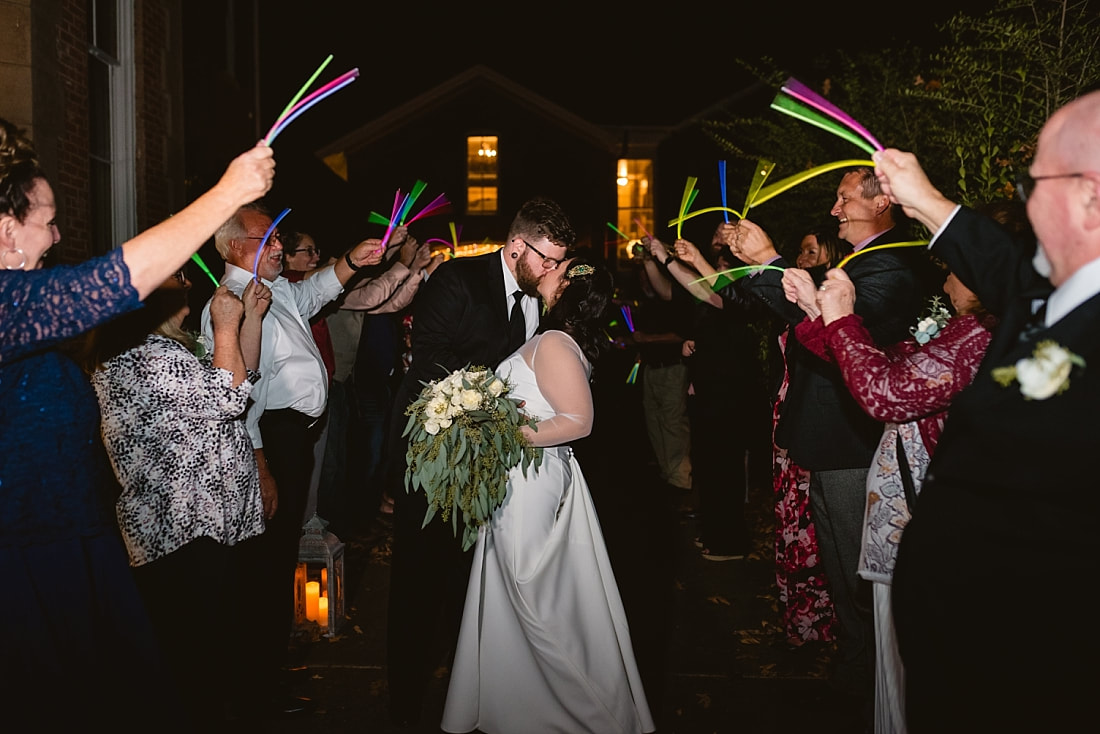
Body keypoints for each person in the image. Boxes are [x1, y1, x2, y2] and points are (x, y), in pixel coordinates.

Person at [0, 116, 273, 728]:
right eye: (46, 222)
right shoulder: (8, 307)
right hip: (26, 563)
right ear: (6, 232)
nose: (59, 234)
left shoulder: (24, 309)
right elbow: (104, 285)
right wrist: (227, 194)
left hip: (74, 543)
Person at [870, 89, 1100, 732]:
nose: (1024, 198)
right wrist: (923, 198)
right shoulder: (1053, 288)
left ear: (1089, 194)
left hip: (1034, 668)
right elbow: (1003, 268)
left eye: (1035, 180)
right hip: (965, 651)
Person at [729, 167, 927, 727]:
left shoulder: (890, 264)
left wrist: (767, 260)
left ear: (882, 202)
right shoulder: (858, 261)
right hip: (828, 435)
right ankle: (857, 663)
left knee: (860, 568)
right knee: (843, 564)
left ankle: (872, 678)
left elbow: (836, 331)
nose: (835, 210)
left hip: (852, 440)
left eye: (843, 200)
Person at [441, 257, 656, 734]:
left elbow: (578, 421)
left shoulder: (556, 343)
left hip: (530, 482)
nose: (549, 268)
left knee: (528, 590)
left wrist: (496, 430)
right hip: (520, 478)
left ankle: (584, 710)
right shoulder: (550, 337)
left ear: (567, 290)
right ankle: (521, 704)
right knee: (519, 589)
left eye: (559, 267)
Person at [385, 197, 576, 727]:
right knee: (420, 582)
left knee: (473, 584)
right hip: (435, 457)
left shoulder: (542, 296)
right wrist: (501, 397)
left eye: (561, 262)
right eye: (547, 260)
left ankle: (470, 695)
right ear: (517, 246)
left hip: (497, 466)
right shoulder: (457, 281)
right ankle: (403, 701)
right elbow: (430, 357)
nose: (554, 272)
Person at [786, 260, 996, 733]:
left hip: (936, 516)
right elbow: (878, 360)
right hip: (908, 505)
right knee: (895, 648)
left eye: (956, 270)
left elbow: (886, 389)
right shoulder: (964, 328)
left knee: (919, 656)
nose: (944, 280)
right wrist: (814, 310)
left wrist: (839, 317)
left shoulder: (977, 338)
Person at [200, 202, 386, 715]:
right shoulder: (230, 302)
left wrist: (353, 259)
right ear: (236, 245)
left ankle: (268, 675)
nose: (279, 246)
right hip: (269, 443)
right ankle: (253, 689)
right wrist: (261, 466)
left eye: (280, 237)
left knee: (277, 564)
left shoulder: (274, 287)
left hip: (294, 440)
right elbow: (241, 398)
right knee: (263, 567)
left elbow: (315, 292)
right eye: (269, 239)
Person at [86, 269, 272, 727]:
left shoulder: (168, 348)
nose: (189, 283)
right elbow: (229, 398)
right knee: (193, 663)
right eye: (179, 278)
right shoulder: (146, 355)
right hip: (180, 527)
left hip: (201, 523)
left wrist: (250, 319)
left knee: (203, 654)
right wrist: (227, 325)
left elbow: (237, 382)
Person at [663, 227, 773, 561]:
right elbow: (694, 284)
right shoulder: (716, 291)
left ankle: (730, 542)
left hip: (731, 393)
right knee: (711, 465)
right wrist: (664, 257)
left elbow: (715, 292)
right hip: (712, 390)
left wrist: (690, 258)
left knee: (725, 468)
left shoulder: (740, 293)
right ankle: (716, 534)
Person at [774, 227, 849, 645]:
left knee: (822, 535)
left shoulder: (829, 302)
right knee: (799, 522)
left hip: (815, 421)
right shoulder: (798, 300)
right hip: (791, 412)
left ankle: (825, 622)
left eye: (809, 251)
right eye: (798, 250)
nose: (801, 258)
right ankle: (803, 618)